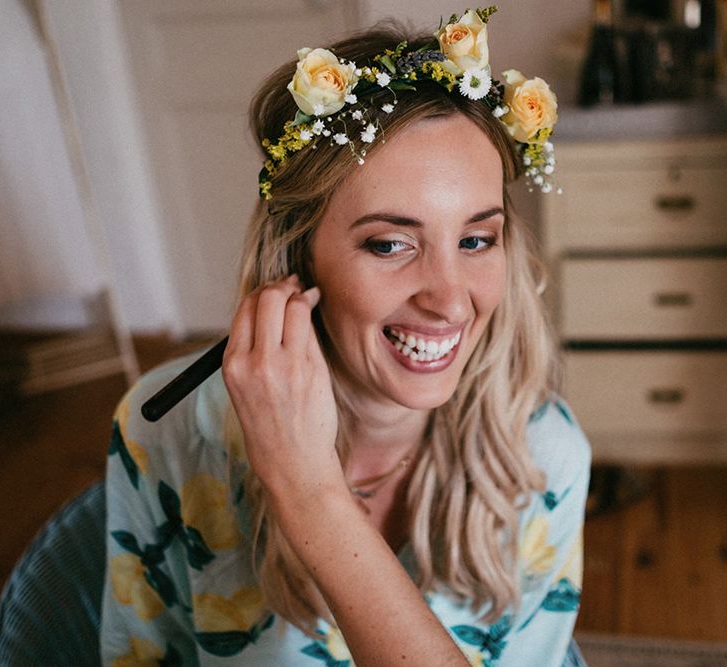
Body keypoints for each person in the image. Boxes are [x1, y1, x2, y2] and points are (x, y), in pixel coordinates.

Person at [101, 7, 591, 666]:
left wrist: (311, 497)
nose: (449, 299)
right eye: (389, 243)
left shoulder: (543, 457)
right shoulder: (165, 427)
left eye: (476, 238)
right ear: (297, 256)